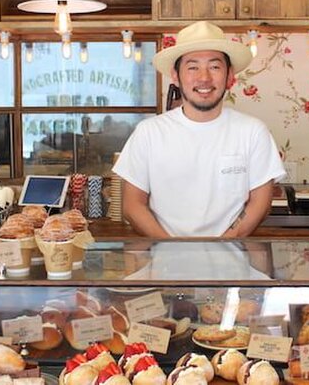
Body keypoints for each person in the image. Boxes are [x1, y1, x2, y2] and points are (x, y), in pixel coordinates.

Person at [112, 21, 286, 279]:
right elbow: (132, 205)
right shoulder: (149, 132)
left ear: (229, 76)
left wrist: (224, 246)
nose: (204, 78)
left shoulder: (252, 131)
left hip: (233, 270)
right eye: (192, 67)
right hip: (163, 269)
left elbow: (261, 202)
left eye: (214, 67)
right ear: (176, 75)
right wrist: (173, 250)